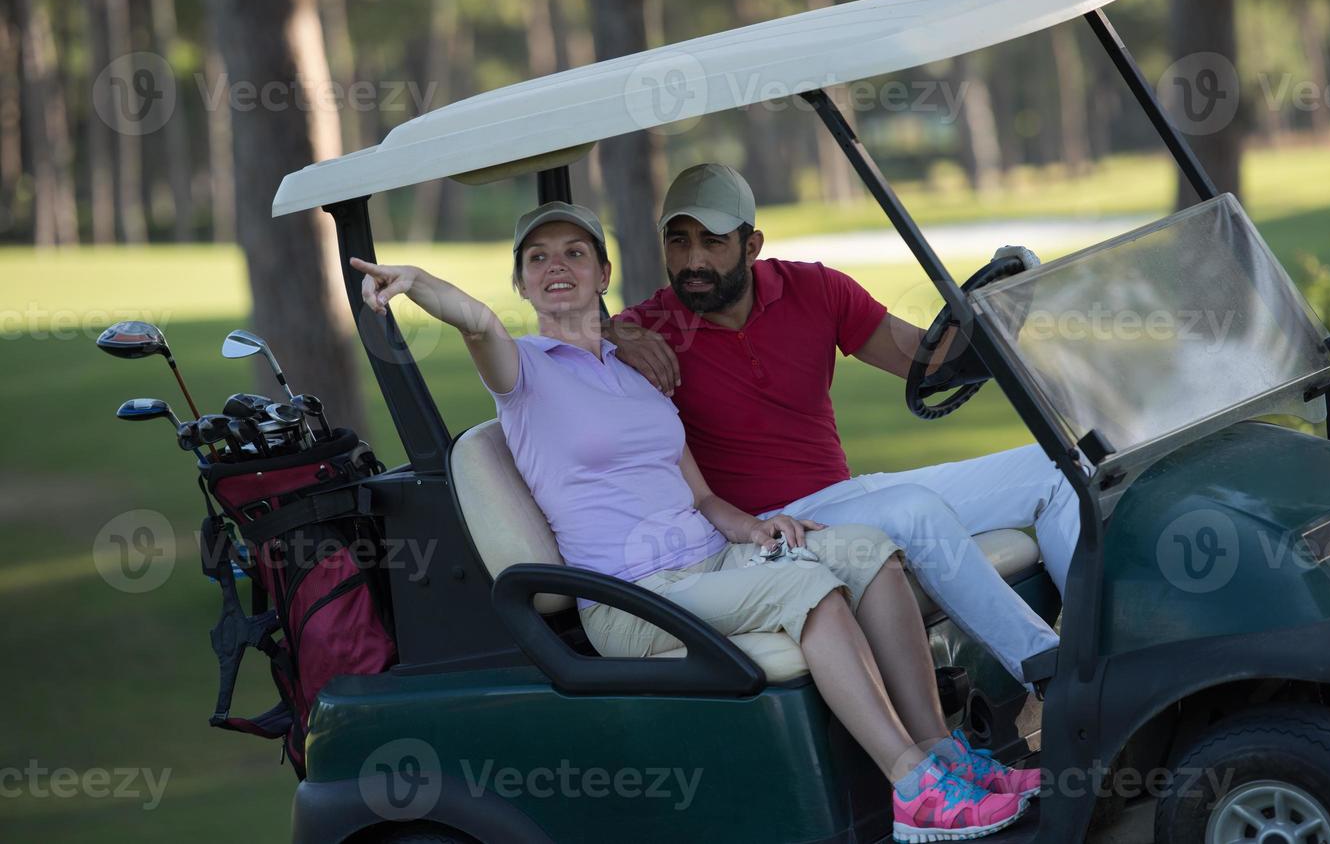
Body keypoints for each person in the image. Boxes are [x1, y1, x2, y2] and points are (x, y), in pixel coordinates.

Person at [349, 202, 1039, 842]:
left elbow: (703, 499)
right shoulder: (521, 373)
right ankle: (912, 789)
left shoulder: (638, 373)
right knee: (804, 590)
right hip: (632, 598)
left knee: (867, 553)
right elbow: (476, 323)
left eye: (573, 253)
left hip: (709, 563)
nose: (555, 267)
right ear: (523, 285)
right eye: (536, 258)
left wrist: (757, 529)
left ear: (604, 273)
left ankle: (940, 754)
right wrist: (417, 283)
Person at [609, 163, 1081, 692]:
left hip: (846, 496)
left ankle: (1101, 645)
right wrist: (609, 332)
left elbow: (925, 363)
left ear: (751, 245)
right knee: (911, 509)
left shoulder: (814, 288)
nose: (693, 261)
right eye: (679, 241)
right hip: (763, 531)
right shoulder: (645, 328)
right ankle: (1057, 676)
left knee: (1057, 467)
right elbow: (544, 353)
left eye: (713, 242)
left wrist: (1003, 303)